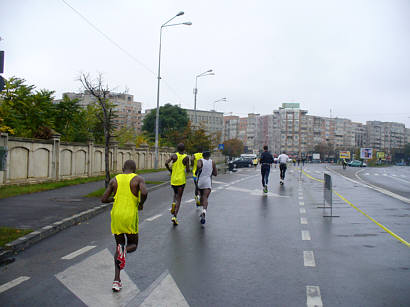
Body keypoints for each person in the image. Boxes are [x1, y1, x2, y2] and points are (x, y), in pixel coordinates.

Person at [101, 160, 148, 293]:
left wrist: (115, 199)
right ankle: (124, 252)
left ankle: (117, 280)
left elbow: (103, 199)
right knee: (133, 244)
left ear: (123, 169)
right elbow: (144, 193)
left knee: (119, 245)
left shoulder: (114, 180)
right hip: (129, 216)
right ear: (135, 169)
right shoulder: (138, 179)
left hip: (116, 216)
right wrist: (140, 203)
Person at [165, 143, 190, 225]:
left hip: (173, 179)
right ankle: (174, 216)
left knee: (175, 194)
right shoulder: (186, 157)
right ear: (184, 149)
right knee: (179, 198)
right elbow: (188, 170)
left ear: (177, 148)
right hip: (181, 180)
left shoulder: (173, 156)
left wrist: (170, 170)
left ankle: (173, 204)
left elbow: (166, 163)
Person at [196, 150, 217, 224]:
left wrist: (199, 168)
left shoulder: (200, 160)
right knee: (205, 198)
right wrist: (210, 171)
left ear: (203, 155)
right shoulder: (212, 162)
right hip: (208, 182)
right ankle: (204, 211)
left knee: (200, 193)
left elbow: (198, 166)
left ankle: (198, 196)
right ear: (209, 155)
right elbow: (215, 174)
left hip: (201, 180)